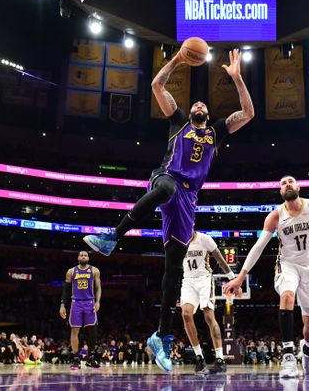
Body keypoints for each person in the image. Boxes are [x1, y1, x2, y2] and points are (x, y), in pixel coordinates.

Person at [83, 49, 254, 372]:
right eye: (196, 104)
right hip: (167, 178)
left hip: (189, 201)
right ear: (190, 111)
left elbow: (247, 112)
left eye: (204, 104)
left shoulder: (216, 132)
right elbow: (158, 87)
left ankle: (162, 336)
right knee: (165, 188)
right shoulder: (177, 122)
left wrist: (236, 77)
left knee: (174, 269)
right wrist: (177, 59)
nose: (200, 105)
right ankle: (113, 236)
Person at [224, 175, 309, 378]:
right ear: (281, 192)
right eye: (283, 183)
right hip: (287, 265)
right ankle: (288, 357)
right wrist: (240, 276)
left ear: (298, 186)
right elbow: (258, 247)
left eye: (290, 181)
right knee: (287, 295)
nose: (287, 184)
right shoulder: (275, 216)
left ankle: (307, 349)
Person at [180, 231, 235, 374]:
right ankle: (199, 358)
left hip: (204, 279)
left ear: (192, 223)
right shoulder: (178, 240)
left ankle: (220, 359)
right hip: (188, 281)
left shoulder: (204, 239)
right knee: (186, 314)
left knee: (209, 316)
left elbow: (220, 259)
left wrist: (232, 278)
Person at [59, 250, 101, 370]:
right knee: (74, 330)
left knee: (91, 331)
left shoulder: (94, 270)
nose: (83, 256)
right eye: (81, 255)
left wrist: (98, 301)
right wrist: (62, 305)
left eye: (85, 255)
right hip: (76, 303)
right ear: (78, 257)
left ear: (88, 258)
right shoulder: (71, 271)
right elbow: (66, 290)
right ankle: (76, 358)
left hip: (89, 303)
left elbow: (98, 288)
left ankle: (91, 358)